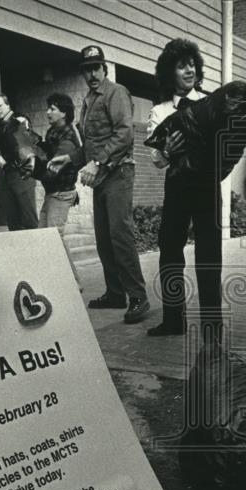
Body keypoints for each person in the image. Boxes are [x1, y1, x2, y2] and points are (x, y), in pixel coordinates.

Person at [145, 38, 223, 338]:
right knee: (169, 252)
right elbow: (156, 161)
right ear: (170, 73)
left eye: (192, 64)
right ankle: (173, 320)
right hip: (176, 186)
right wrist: (166, 150)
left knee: (209, 256)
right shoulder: (159, 111)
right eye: (181, 66)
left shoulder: (213, 101)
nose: (189, 70)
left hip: (206, 186)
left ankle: (212, 328)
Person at [78, 44, 149, 324]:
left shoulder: (115, 92)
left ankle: (138, 296)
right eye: (87, 70)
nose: (92, 74)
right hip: (101, 178)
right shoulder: (88, 100)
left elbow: (124, 134)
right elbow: (90, 142)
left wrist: (98, 162)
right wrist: (66, 159)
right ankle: (115, 293)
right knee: (104, 238)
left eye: (96, 68)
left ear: (104, 68)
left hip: (118, 172)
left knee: (120, 235)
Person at [36, 93, 85, 285]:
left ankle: (73, 283)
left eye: (52, 109)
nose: (48, 112)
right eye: (49, 108)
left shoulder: (68, 136)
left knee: (54, 238)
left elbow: (52, 169)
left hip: (61, 193)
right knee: (43, 236)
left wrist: (31, 167)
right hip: (52, 193)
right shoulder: (53, 132)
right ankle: (53, 281)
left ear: (63, 113)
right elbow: (47, 154)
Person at [0, 91, 39, 231]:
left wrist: (5, 157)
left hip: (23, 174)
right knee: (13, 221)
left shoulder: (20, 120)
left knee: (29, 219)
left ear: (8, 105)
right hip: (8, 175)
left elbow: (25, 144)